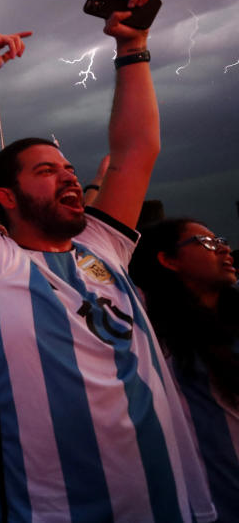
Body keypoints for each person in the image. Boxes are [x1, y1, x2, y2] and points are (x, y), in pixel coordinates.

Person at [0, 0, 215, 521]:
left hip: (164, 499)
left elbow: (137, 148)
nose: (69, 179)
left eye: (70, 170)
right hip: (56, 509)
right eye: (47, 172)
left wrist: (131, 48)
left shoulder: (103, 245)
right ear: (7, 197)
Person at [130, 219, 239, 520]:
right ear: (168, 260)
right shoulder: (148, 332)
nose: (224, 249)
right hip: (212, 504)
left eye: (221, 239)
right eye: (207, 243)